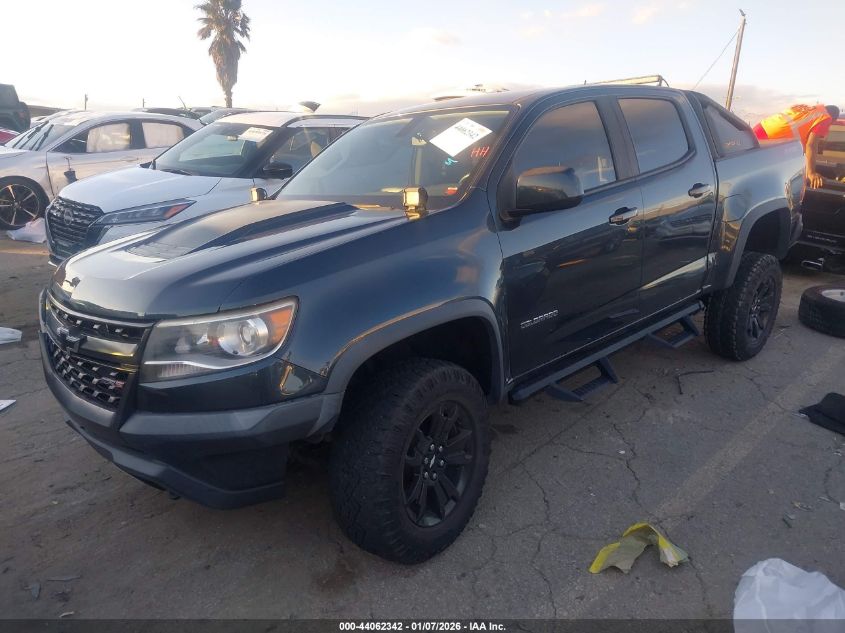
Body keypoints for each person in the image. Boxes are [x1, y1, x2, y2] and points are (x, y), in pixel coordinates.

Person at [753, 104, 840, 188]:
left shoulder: (809, 109)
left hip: (758, 130)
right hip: (768, 139)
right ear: (833, 120)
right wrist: (811, 173)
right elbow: (811, 145)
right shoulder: (825, 118)